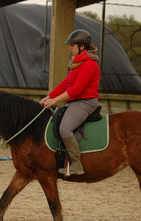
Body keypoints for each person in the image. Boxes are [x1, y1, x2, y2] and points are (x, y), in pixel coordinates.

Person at [40, 29, 100, 176]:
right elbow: (66, 83)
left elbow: (77, 89)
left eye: (72, 45)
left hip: (85, 102)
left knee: (65, 129)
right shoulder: (76, 64)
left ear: (81, 47)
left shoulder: (89, 65)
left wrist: (55, 100)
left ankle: (76, 164)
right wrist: (49, 96)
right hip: (75, 101)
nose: (69, 48)